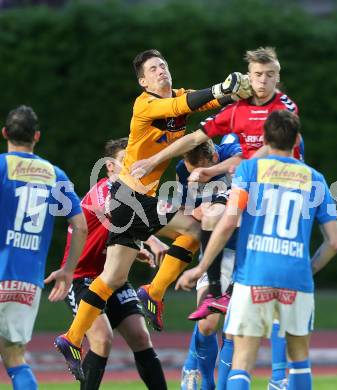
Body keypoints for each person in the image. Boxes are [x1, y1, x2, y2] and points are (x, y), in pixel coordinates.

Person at [54, 48, 252, 380]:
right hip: (130, 198)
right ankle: (163, 292)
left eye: (163, 65)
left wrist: (237, 94)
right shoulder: (145, 103)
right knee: (196, 226)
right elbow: (179, 107)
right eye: (153, 69)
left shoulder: (180, 94)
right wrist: (221, 88)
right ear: (143, 80)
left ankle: (71, 338)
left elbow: (205, 105)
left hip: (127, 202)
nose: (161, 71)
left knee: (114, 278)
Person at [131, 47, 302, 389]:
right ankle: (196, 359)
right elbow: (195, 136)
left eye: (269, 75)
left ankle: (282, 377)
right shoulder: (232, 117)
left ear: (277, 77)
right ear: (249, 77)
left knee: (264, 313)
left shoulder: (284, 111)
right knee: (213, 323)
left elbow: (252, 157)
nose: (263, 81)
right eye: (256, 74)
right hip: (236, 225)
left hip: (273, 213)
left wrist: (212, 172)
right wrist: (152, 162)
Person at [176, 110, 337, 390]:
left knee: (242, 359)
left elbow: (227, 222)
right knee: (299, 362)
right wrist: (308, 270)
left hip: (253, 273)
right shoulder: (316, 178)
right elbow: (334, 243)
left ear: (263, 139)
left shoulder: (250, 170)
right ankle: (278, 381)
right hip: (296, 278)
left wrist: (202, 268)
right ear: (297, 139)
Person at [61, 138, 168, 389]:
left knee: (141, 337)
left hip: (110, 276)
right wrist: (151, 240)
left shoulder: (125, 194)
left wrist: (134, 247)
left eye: (131, 161)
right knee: (102, 340)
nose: (129, 167)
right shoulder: (104, 189)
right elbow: (117, 214)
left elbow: (116, 227)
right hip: (80, 278)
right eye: (123, 162)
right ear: (109, 166)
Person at [0, 106, 87, 390]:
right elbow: (81, 225)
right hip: (27, 281)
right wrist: (68, 270)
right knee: (14, 357)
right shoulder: (54, 174)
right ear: (36, 136)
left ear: (4, 134)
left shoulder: (1, 166)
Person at [176, 136, 240, 390]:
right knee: (207, 322)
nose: (197, 178)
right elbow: (191, 211)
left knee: (234, 328)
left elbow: (241, 158)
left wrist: (209, 173)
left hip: (248, 248)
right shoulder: (185, 169)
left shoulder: (233, 149)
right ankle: (201, 375)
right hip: (218, 251)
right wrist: (196, 211)